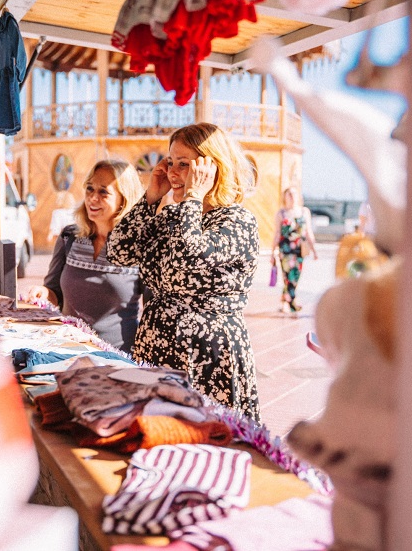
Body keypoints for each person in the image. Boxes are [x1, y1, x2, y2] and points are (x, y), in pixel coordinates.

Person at [107, 122, 262, 422]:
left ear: (212, 168)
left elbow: (187, 260)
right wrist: (150, 199)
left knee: (205, 439)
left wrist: (193, 197)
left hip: (207, 356)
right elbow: (119, 251)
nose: (173, 173)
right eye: (170, 162)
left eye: (184, 164)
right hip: (158, 347)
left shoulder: (238, 221)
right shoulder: (173, 216)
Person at [27, 160, 145, 353]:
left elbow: (153, 311)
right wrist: (43, 293)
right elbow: (54, 292)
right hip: (66, 352)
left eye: (103, 192)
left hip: (118, 357)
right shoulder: (69, 237)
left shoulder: (140, 247)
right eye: (90, 189)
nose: (92, 198)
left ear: (124, 199)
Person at [272, 186, 318, 314]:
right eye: (289, 194)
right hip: (285, 250)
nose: (292, 197)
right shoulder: (281, 213)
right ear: (285, 197)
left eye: (294, 194)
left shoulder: (304, 212)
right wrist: (273, 252)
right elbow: (277, 233)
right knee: (288, 276)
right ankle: (292, 303)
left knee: (296, 276)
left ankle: (284, 300)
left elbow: (308, 232)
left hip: (299, 249)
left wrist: (314, 250)